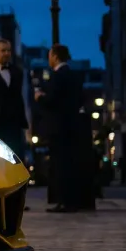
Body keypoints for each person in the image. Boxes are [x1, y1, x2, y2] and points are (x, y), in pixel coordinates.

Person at [35, 44, 82, 213]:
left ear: (55, 57)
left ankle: (63, 201)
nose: (49, 59)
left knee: (59, 165)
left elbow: (52, 100)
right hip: (72, 126)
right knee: (69, 163)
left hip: (58, 127)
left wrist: (40, 97)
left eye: (50, 55)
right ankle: (72, 200)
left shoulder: (57, 76)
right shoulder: (74, 76)